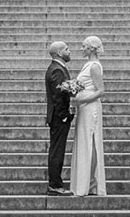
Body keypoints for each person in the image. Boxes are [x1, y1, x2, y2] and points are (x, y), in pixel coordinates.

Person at [70, 36, 107, 197]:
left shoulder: (94, 66)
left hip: (90, 108)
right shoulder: (88, 65)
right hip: (84, 108)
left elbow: (100, 90)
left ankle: (90, 182)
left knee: (89, 142)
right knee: (85, 142)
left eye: (84, 46)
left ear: (92, 48)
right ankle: (86, 182)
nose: (81, 49)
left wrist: (81, 100)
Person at [44, 41, 75, 196]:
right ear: (58, 53)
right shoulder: (57, 70)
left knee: (57, 150)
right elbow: (58, 96)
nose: (69, 51)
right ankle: (55, 184)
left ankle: (55, 183)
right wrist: (65, 115)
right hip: (59, 117)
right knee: (57, 151)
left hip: (57, 116)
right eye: (66, 49)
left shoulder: (57, 68)